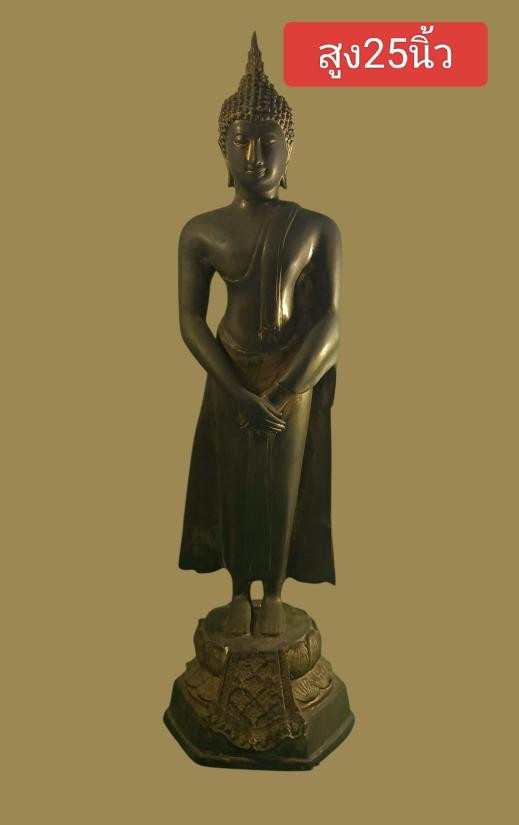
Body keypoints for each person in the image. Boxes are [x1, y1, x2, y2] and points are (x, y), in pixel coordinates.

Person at [178, 33, 341, 637]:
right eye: (241, 140)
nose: (255, 155)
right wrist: (236, 388)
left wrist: (285, 389)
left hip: (291, 371)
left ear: (289, 150)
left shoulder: (317, 228)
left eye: (269, 141)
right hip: (230, 367)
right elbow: (190, 319)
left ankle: (272, 590)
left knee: (282, 484)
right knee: (233, 483)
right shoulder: (201, 231)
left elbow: (331, 320)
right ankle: (238, 592)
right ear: (221, 150)